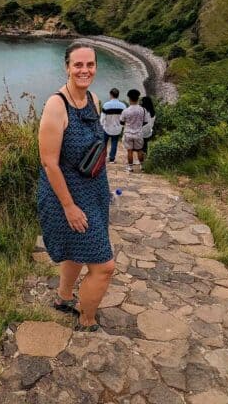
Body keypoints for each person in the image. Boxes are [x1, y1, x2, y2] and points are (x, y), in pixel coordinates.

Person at [37, 40, 115, 332]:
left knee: (77, 251)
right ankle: (86, 318)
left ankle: (63, 298)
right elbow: (49, 163)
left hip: (94, 190)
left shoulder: (93, 99)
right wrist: (69, 206)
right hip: (66, 194)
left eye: (90, 64)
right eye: (78, 64)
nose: (85, 70)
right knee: (104, 267)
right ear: (67, 67)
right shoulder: (56, 106)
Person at [120, 89, 150, 172]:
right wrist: (138, 125)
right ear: (138, 98)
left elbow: (121, 122)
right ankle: (142, 166)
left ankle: (130, 167)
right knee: (139, 150)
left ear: (129, 99)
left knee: (129, 151)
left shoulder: (126, 111)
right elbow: (146, 121)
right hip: (138, 133)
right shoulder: (143, 110)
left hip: (128, 133)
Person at [101, 88, 127, 163]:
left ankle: (102, 157)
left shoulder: (106, 105)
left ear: (111, 95)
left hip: (107, 128)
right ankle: (112, 159)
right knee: (114, 143)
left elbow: (102, 118)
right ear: (118, 95)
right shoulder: (123, 106)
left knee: (104, 143)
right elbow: (124, 118)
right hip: (117, 129)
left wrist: (101, 127)